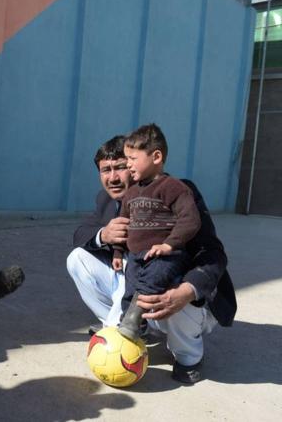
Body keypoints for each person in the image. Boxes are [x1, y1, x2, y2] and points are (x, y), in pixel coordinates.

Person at [66, 133, 237, 384]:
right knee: (78, 258)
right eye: (105, 170)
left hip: (178, 286)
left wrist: (188, 291)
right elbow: (81, 233)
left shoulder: (177, 191)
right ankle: (126, 327)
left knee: (173, 283)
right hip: (138, 276)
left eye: (121, 167)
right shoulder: (107, 199)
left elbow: (213, 254)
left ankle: (189, 357)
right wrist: (105, 234)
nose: (113, 178)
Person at [112, 125, 201, 341]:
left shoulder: (174, 188)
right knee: (130, 287)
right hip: (135, 256)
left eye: (132, 158)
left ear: (156, 156)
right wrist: (117, 251)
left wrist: (169, 244)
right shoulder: (131, 193)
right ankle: (131, 322)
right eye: (126, 158)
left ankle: (132, 322)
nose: (127, 164)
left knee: (150, 282)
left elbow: (190, 220)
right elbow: (123, 224)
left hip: (166, 256)